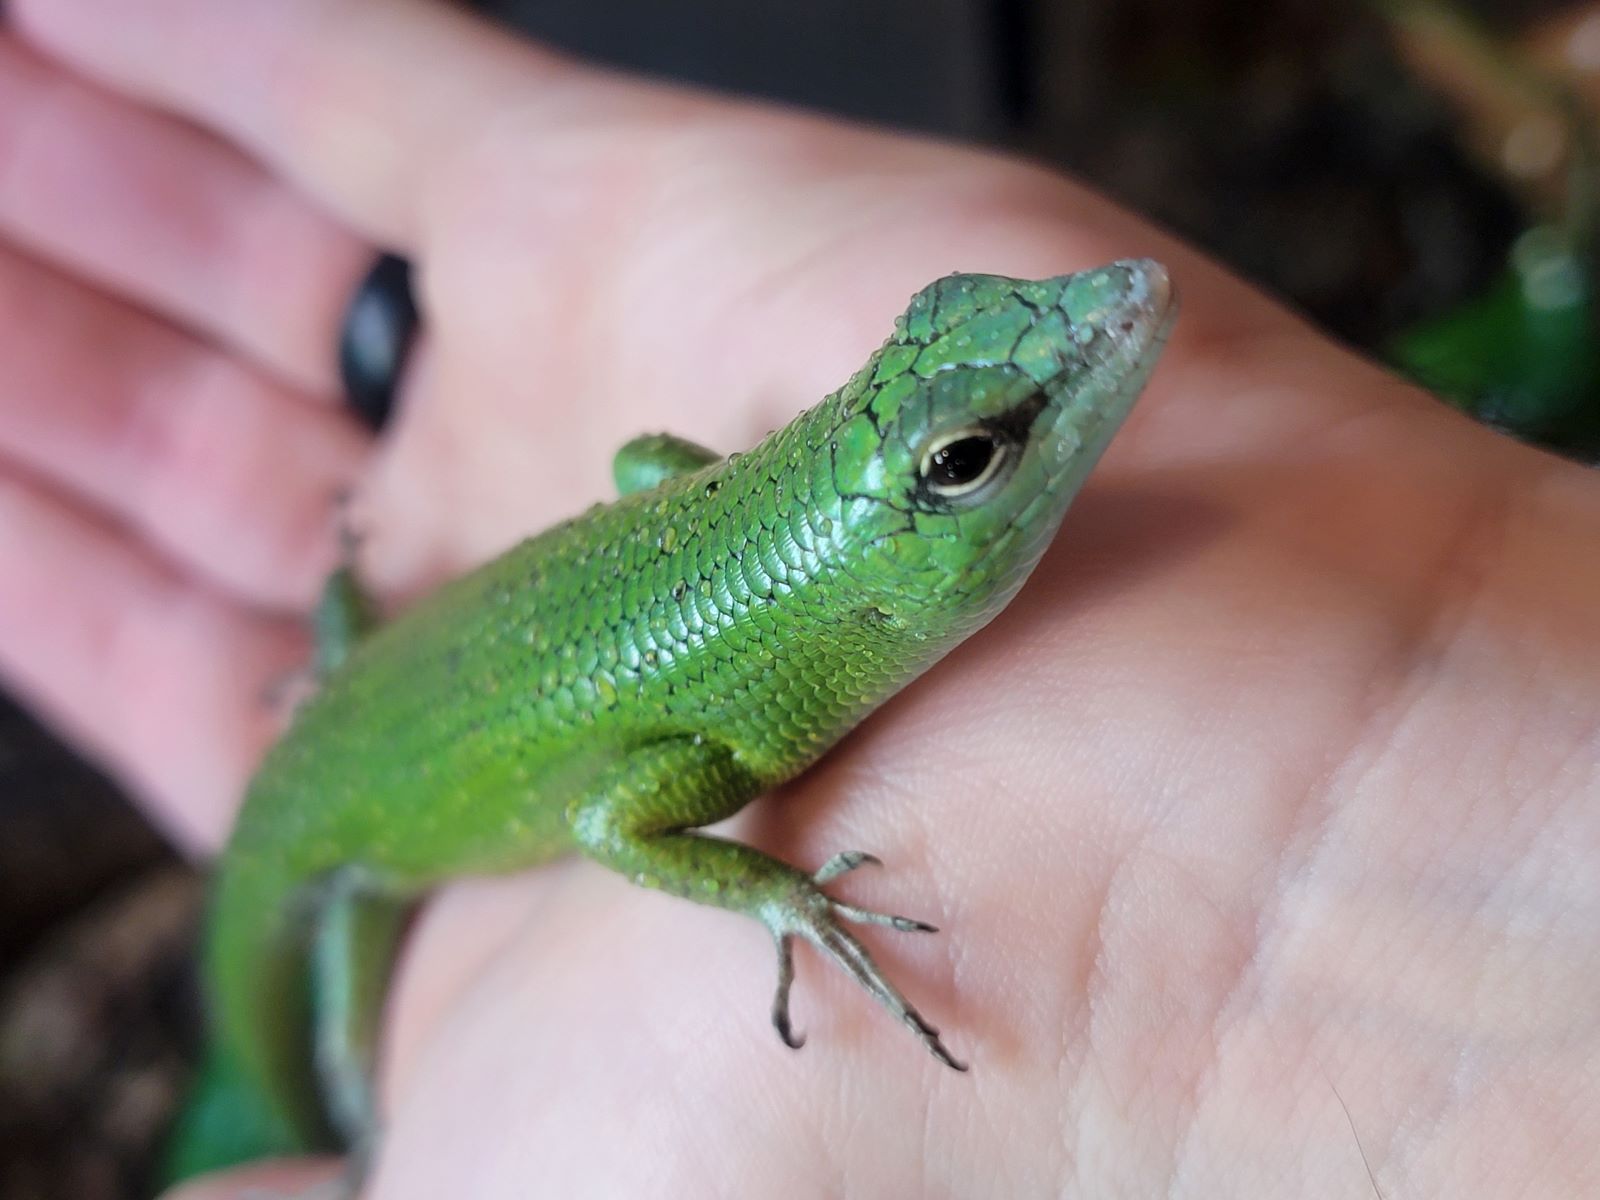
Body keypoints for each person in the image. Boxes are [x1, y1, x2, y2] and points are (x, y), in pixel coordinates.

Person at [1, 1, 1595, 1196]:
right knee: (320, 1070)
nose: (1113, 312)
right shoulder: (744, 723)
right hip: (337, 850)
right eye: (977, 452)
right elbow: (618, 823)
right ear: (899, 530)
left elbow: (644, 466)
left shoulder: (796, 616)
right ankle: (320, 1064)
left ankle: (343, 662)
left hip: (398, 679)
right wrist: (778, 895)